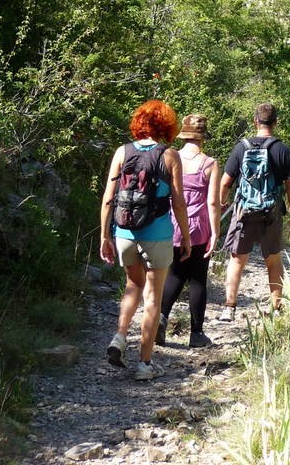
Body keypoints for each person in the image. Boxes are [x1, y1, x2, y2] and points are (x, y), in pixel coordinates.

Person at [100, 99, 191, 380]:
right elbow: (177, 201)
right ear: (166, 125)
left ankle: (119, 335)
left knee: (132, 285)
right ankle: (144, 365)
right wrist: (185, 237)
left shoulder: (122, 152)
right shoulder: (169, 155)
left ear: (138, 123)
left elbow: (107, 199)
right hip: (158, 235)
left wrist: (105, 236)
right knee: (152, 298)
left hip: (124, 233)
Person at [218, 102, 290, 320]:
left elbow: (225, 182)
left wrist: (221, 204)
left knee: (237, 260)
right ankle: (276, 308)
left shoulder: (241, 147)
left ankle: (229, 307)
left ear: (256, 120)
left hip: (243, 212)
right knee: (273, 260)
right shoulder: (282, 150)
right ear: (275, 123)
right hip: (271, 214)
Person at [156, 112, 221, 349]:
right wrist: (215, 232)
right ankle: (196, 334)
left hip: (170, 224)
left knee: (174, 274)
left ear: (183, 135)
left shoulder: (168, 158)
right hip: (199, 228)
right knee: (197, 279)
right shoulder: (210, 164)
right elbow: (213, 203)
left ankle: (160, 319)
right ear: (203, 137)